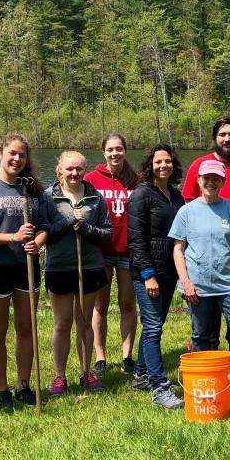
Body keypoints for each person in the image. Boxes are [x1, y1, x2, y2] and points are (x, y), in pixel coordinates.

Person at [169, 159, 230, 401]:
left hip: (229, 284)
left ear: (223, 181)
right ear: (198, 181)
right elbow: (178, 249)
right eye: (206, 178)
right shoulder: (186, 211)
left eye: (216, 178)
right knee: (202, 335)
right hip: (198, 286)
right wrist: (186, 282)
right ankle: (207, 381)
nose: (211, 182)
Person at [0, 133, 51, 411]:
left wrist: (37, 243)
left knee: (26, 328)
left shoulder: (33, 191)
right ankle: (3, 390)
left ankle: (24, 386)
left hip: (27, 268)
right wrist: (13, 238)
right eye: (12, 153)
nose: (17, 159)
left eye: (22, 155)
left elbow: (44, 226)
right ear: (0, 152)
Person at [45, 151, 112, 396]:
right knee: (62, 323)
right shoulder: (48, 198)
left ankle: (86, 371)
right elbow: (44, 234)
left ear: (85, 171)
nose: (74, 174)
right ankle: (60, 376)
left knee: (84, 322)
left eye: (79, 169)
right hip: (60, 267)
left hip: (91, 266)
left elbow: (107, 234)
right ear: (60, 169)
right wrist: (67, 222)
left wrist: (85, 228)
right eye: (69, 169)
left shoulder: (96, 197)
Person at [128, 144, 186, 410]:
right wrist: (148, 275)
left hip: (169, 271)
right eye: (158, 161)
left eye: (167, 161)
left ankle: (141, 376)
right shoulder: (142, 194)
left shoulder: (176, 196)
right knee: (152, 327)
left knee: (155, 324)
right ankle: (159, 388)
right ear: (150, 165)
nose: (163, 165)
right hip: (147, 272)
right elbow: (136, 238)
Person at [85, 134, 140, 376]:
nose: (115, 153)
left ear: (125, 151)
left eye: (119, 149)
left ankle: (127, 356)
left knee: (128, 304)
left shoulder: (136, 180)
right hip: (101, 251)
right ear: (104, 152)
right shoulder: (91, 179)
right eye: (110, 149)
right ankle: (100, 357)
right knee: (100, 305)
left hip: (128, 251)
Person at [182, 116, 230, 209]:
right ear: (214, 138)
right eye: (222, 134)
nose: (227, 139)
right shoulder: (198, 165)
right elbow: (188, 200)